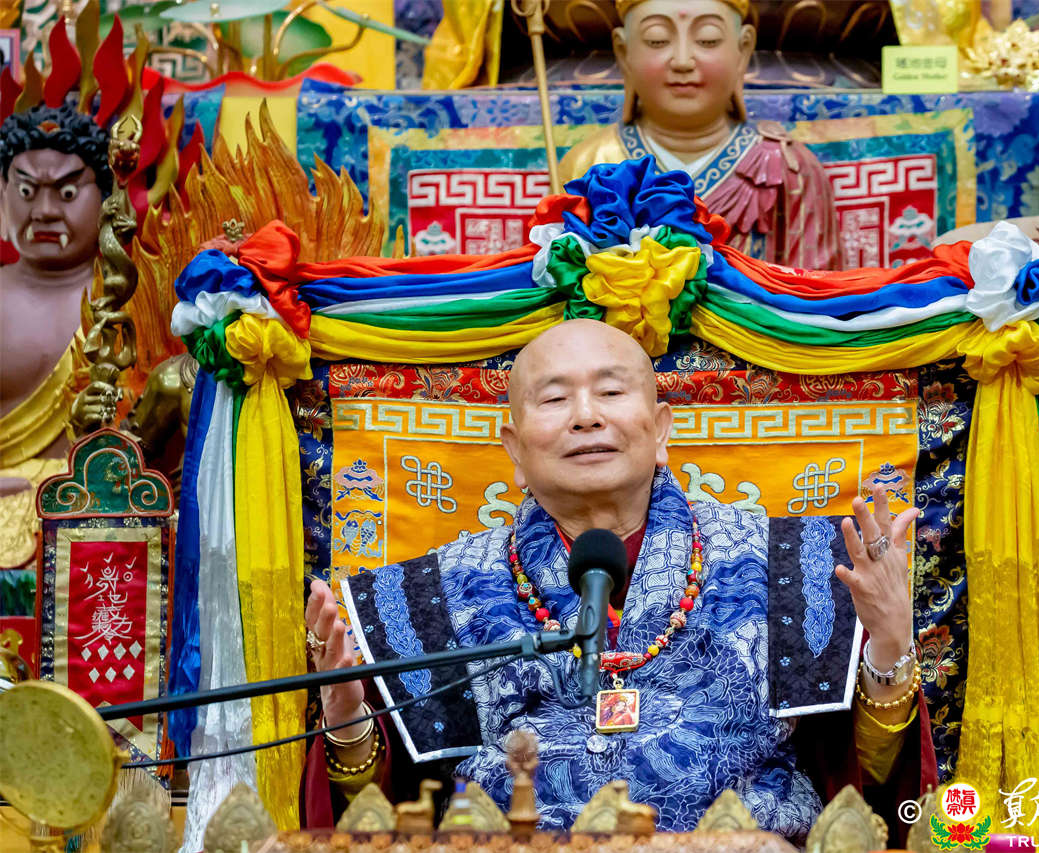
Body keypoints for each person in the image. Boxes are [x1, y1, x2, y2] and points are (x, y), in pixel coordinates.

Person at [302, 319, 929, 836]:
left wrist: (890, 648)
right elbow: (377, 813)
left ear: (661, 431)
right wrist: (347, 721)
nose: (585, 416)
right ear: (514, 450)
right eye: (555, 399)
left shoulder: (798, 564)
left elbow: (867, 781)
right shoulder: (426, 598)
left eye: (610, 392)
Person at [557, 0, 844, 270]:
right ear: (623, 52)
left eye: (708, 40)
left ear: (743, 49)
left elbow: (816, 291)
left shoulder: (787, 167)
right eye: (657, 40)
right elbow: (560, 275)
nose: (682, 61)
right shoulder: (590, 164)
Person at [0, 104, 111, 569]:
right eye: (27, 191)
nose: (44, 211)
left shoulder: (130, 299)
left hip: (100, 510)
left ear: (106, 198)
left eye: (67, 193)